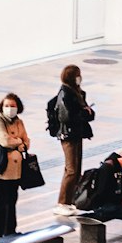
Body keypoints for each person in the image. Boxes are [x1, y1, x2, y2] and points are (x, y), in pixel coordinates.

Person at [51, 63, 95, 215]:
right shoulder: (65, 94)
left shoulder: (78, 93)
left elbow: (90, 114)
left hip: (77, 133)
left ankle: (71, 200)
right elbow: (67, 116)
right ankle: (62, 202)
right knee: (71, 169)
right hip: (68, 135)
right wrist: (84, 113)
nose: (80, 78)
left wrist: (86, 112)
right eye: (78, 75)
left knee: (76, 169)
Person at [0, 93, 30, 239]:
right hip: (2, 168)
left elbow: (27, 141)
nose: (10, 109)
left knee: (12, 199)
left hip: (16, 169)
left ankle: (10, 230)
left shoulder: (19, 122)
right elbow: (5, 141)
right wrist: (19, 143)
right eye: (7, 106)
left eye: (12, 106)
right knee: (1, 199)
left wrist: (20, 142)